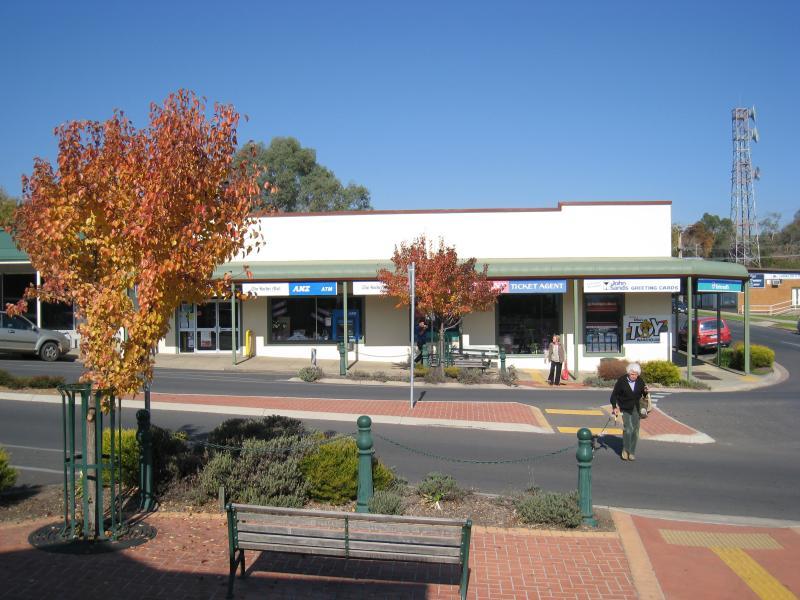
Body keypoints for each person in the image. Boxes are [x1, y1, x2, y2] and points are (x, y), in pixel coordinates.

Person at [610, 363, 649, 461]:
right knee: (628, 429)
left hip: (636, 407)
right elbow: (614, 395)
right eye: (632, 374)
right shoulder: (622, 381)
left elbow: (643, 394)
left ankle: (631, 452)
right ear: (628, 373)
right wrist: (614, 407)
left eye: (636, 374)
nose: (634, 376)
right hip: (624, 407)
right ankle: (625, 450)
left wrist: (645, 391)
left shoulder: (640, 381)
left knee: (635, 430)